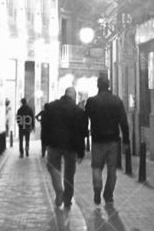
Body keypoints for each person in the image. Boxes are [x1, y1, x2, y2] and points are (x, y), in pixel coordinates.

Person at [84, 73, 130, 205]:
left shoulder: (92, 101)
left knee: (96, 168)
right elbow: (124, 122)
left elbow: (84, 119)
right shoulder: (117, 101)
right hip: (113, 140)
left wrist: (83, 135)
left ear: (98, 86)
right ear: (109, 85)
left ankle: (97, 189)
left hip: (98, 140)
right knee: (112, 170)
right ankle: (108, 194)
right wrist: (126, 140)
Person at [41, 86, 87, 208]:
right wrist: (81, 151)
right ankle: (67, 199)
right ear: (74, 96)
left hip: (54, 144)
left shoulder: (51, 107)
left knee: (53, 167)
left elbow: (44, 126)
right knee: (69, 173)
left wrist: (44, 144)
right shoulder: (77, 111)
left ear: (64, 94)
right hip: (71, 146)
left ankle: (58, 190)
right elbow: (81, 132)